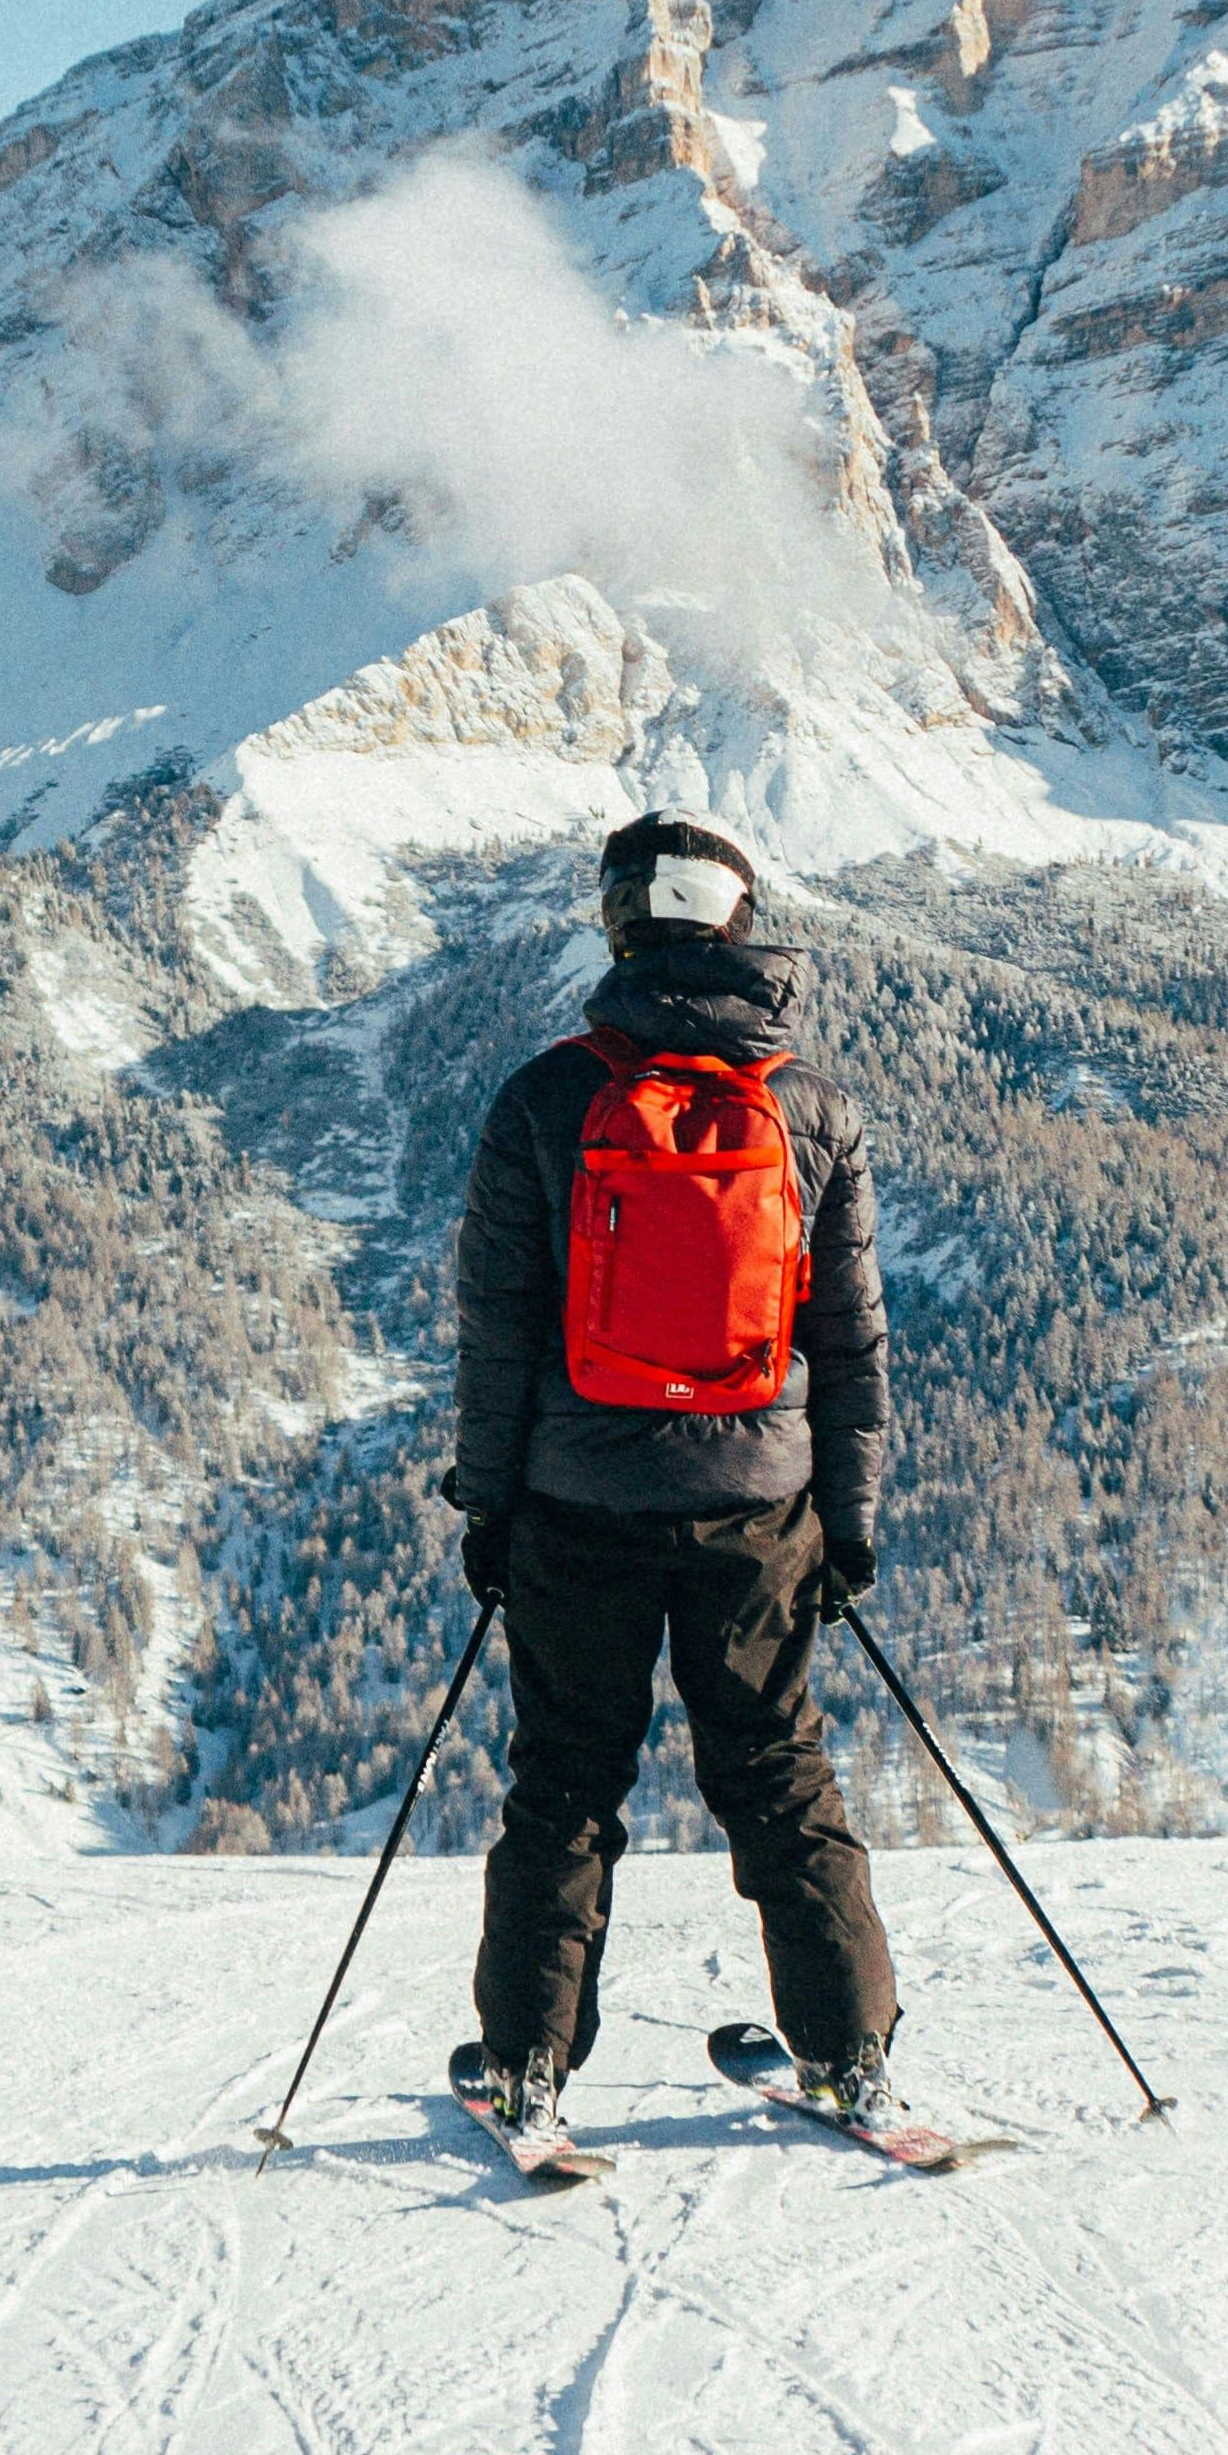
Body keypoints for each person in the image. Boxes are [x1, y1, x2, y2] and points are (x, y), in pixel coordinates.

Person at [448, 807, 899, 2143]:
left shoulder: (547, 1095)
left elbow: (497, 1323)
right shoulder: (810, 1108)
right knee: (777, 1774)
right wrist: (849, 1521)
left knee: (568, 1780)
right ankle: (848, 2056)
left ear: (617, 925)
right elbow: (850, 1339)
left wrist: (489, 1500)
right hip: (759, 1507)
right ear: (737, 929)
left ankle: (526, 2063)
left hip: (576, 1504)